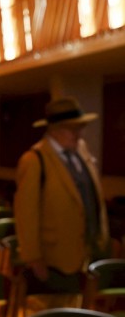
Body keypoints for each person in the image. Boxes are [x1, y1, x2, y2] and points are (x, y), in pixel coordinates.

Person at [14, 96, 110, 299]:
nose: (78, 134)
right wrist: (34, 258)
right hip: (54, 259)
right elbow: (26, 213)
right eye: (72, 129)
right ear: (54, 130)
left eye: (80, 128)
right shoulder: (34, 160)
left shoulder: (80, 151)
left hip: (86, 251)